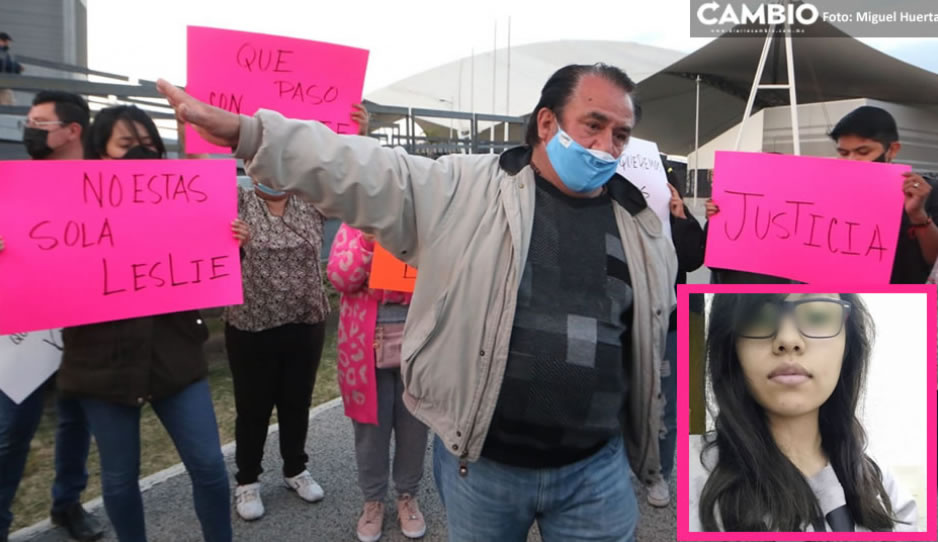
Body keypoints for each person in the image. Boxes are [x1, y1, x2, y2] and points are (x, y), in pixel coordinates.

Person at [158, 61, 677, 542]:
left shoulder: (641, 228)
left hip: (596, 473)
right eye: (593, 124)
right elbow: (363, 168)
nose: (607, 145)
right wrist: (252, 134)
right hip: (486, 469)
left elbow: (652, 341)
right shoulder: (464, 190)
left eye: (621, 134)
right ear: (546, 123)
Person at [56, 105, 232, 542]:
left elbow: (211, 272)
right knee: (118, 479)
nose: (141, 154)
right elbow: (43, 276)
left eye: (149, 146)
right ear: (99, 154)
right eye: (126, 145)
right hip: (101, 367)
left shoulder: (179, 201)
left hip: (175, 357)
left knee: (209, 465)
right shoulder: (66, 211)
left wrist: (231, 243)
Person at [689, 293, 918, 532]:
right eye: (757, 315)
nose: (788, 339)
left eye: (817, 316)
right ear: (731, 346)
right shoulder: (694, 475)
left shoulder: (882, 486)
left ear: (848, 345)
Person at [0, 91, 104, 542]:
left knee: (76, 420)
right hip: (21, 330)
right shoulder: (11, 184)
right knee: (9, 432)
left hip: (83, 323)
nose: (29, 128)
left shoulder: (106, 185)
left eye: (40, 122)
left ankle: (67, 503)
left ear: (72, 131)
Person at [223, 116, 337, 522]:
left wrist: (356, 133)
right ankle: (247, 480)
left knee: (296, 402)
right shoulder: (235, 204)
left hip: (304, 321)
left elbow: (346, 171)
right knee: (252, 407)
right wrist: (232, 243)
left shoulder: (311, 201)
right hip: (251, 324)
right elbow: (215, 262)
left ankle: (295, 468)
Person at [327, 221, 428, 542]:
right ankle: (373, 501)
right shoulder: (353, 227)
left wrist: (380, 285)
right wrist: (368, 246)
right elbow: (341, 279)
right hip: (363, 344)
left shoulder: (423, 222)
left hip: (418, 342)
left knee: (414, 426)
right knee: (370, 428)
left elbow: (441, 277)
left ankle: (407, 497)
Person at [645, 165, 704, 507]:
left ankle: (659, 474)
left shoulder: (679, 217)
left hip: (669, 322)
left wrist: (680, 216)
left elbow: (694, 260)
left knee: (665, 406)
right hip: (623, 322)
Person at [830, 106, 938, 284]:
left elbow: (934, 260)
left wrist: (918, 216)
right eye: (843, 153)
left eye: (863, 152)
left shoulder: (926, 193)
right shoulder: (828, 192)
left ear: (892, 150)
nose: (851, 161)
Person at [0, 32, 24, 106]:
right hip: (2, 85)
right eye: (6, 41)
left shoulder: (4, 53)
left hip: (4, 84)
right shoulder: (2, 53)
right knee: (8, 107)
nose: (8, 44)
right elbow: (6, 65)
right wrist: (18, 67)